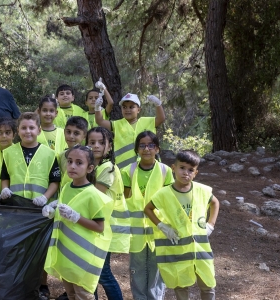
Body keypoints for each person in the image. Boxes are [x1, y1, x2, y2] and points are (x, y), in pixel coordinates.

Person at [0, 112, 61, 299]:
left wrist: (45, 197)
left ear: (39, 130)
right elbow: (5, 177)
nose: (28, 131)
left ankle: (41, 285)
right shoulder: (8, 152)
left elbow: (55, 181)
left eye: (32, 128)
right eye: (23, 128)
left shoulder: (50, 154)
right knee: (17, 247)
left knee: (39, 249)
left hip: (40, 210)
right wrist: (5, 190)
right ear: (18, 131)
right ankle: (17, 283)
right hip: (16, 208)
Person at [144, 150, 220, 300]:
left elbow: (215, 202)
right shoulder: (164, 194)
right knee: (180, 284)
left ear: (196, 173)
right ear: (173, 168)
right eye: (182, 168)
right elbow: (148, 209)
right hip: (177, 250)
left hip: (200, 248)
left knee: (207, 283)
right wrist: (161, 226)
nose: (186, 173)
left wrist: (211, 224)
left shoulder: (201, 190)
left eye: (191, 170)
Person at [42, 145, 113, 300]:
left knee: (83, 295)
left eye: (79, 163)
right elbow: (64, 211)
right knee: (71, 295)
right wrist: (53, 210)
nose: (72, 166)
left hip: (83, 257)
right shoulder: (67, 187)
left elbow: (100, 227)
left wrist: (76, 217)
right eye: (69, 161)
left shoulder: (93, 194)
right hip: (66, 255)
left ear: (90, 168)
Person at [121, 131, 173, 300]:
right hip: (136, 232)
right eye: (142, 145)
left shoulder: (166, 171)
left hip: (159, 228)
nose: (146, 149)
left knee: (157, 268)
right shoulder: (128, 171)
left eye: (151, 145)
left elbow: (171, 201)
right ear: (137, 149)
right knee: (137, 268)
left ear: (157, 149)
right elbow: (125, 199)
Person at [87, 127, 129, 300]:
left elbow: (95, 196)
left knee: (103, 274)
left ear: (109, 146)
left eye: (101, 142)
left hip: (105, 227)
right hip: (95, 226)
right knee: (92, 274)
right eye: (92, 142)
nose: (96, 146)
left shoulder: (107, 168)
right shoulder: (92, 167)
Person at [95, 93, 165, 169]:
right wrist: (97, 108)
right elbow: (100, 121)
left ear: (138, 110)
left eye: (131, 107)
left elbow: (161, 118)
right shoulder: (116, 124)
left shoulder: (147, 121)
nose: (127, 110)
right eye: (124, 107)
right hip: (124, 169)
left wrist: (158, 104)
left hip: (148, 167)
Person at [57, 117, 89, 189]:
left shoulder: (88, 157)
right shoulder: (61, 156)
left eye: (76, 133)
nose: (71, 136)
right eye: (68, 132)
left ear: (84, 136)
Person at [0, 117, 17, 194]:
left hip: (17, 197)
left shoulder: (20, 153)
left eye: (8, 132)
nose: (4, 136)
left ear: (14, 135)